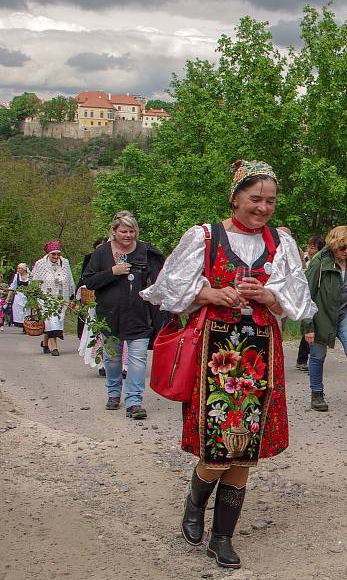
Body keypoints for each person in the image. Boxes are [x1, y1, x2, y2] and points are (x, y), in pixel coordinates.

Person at [141, 160, 316, 569]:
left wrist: (268, 296)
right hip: (214, 353)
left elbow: (298, 302)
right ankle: (194, 500)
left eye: (270, 200)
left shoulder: (282, 243)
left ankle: (223, 537)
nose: (264, 207)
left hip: (259, 354)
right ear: (235, 197)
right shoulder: (204, 237)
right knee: (216, 449)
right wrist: (212, 294)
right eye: (255, 199)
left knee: (245, 449)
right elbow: (167, 291)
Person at [83, 212, 165, 420]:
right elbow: (89, 281)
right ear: (114, 232)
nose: (128, 235)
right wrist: (113, 271)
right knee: (112, 359)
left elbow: (160, 278)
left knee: (138, 360)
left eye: (131, 231)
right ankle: (113, 393)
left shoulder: (146, 252)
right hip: (110, 317)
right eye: (123, 231)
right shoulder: (101, 253)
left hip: (139, 316)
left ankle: (134, 402)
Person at [302, 226, 347, 414]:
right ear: (333, 245)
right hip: (321, 315)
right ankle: (316, 394)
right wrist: (308, 325)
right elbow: (306, 294)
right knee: (317, 355)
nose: (346, 251)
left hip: (345, 314)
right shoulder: (319, 263)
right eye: (342, 248)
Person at [31, 241, 76, 356]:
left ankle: (45, 343)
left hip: (61, 297)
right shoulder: (40, 264)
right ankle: (54, 348)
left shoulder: (65, 263)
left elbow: (70, 279)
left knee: (56, 320)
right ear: (49, 253)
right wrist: (35, 297)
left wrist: (72, 296)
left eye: (57, 254)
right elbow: (34, 281)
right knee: (51, 319)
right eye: (53, 254)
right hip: (45, 298)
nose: (56, 257)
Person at [295, 236, 325, 371]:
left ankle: (308, 359)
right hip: (303, 297)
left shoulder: (323, 262)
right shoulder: (304, 259)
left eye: (312, 247)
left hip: (317, 298)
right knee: (308, 327)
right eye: (308, 246)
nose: (309, 249)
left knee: (313, 328)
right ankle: (303, 359)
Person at [7, 263, 31, 330]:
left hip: (27, 296)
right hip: (19, 297)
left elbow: (32, 287)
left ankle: (27, 325)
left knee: (27, 311)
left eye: (19, 268)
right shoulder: (16, 276)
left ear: (23, 269)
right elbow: (13, 287)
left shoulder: (30, 276)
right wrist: (8, 298)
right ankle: (23, 325)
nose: (18, 270)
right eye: (17, 268)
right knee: (19, 312)